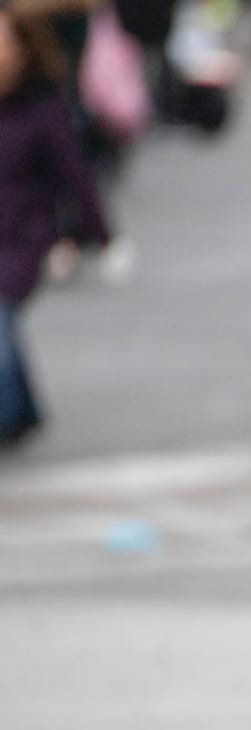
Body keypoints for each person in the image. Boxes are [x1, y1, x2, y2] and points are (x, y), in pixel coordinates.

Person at [0, 4, 114, 446]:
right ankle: (24, 408)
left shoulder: (42, 107)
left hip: (22, 238)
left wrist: (99, 235)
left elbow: (76, 176)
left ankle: (7, 418)